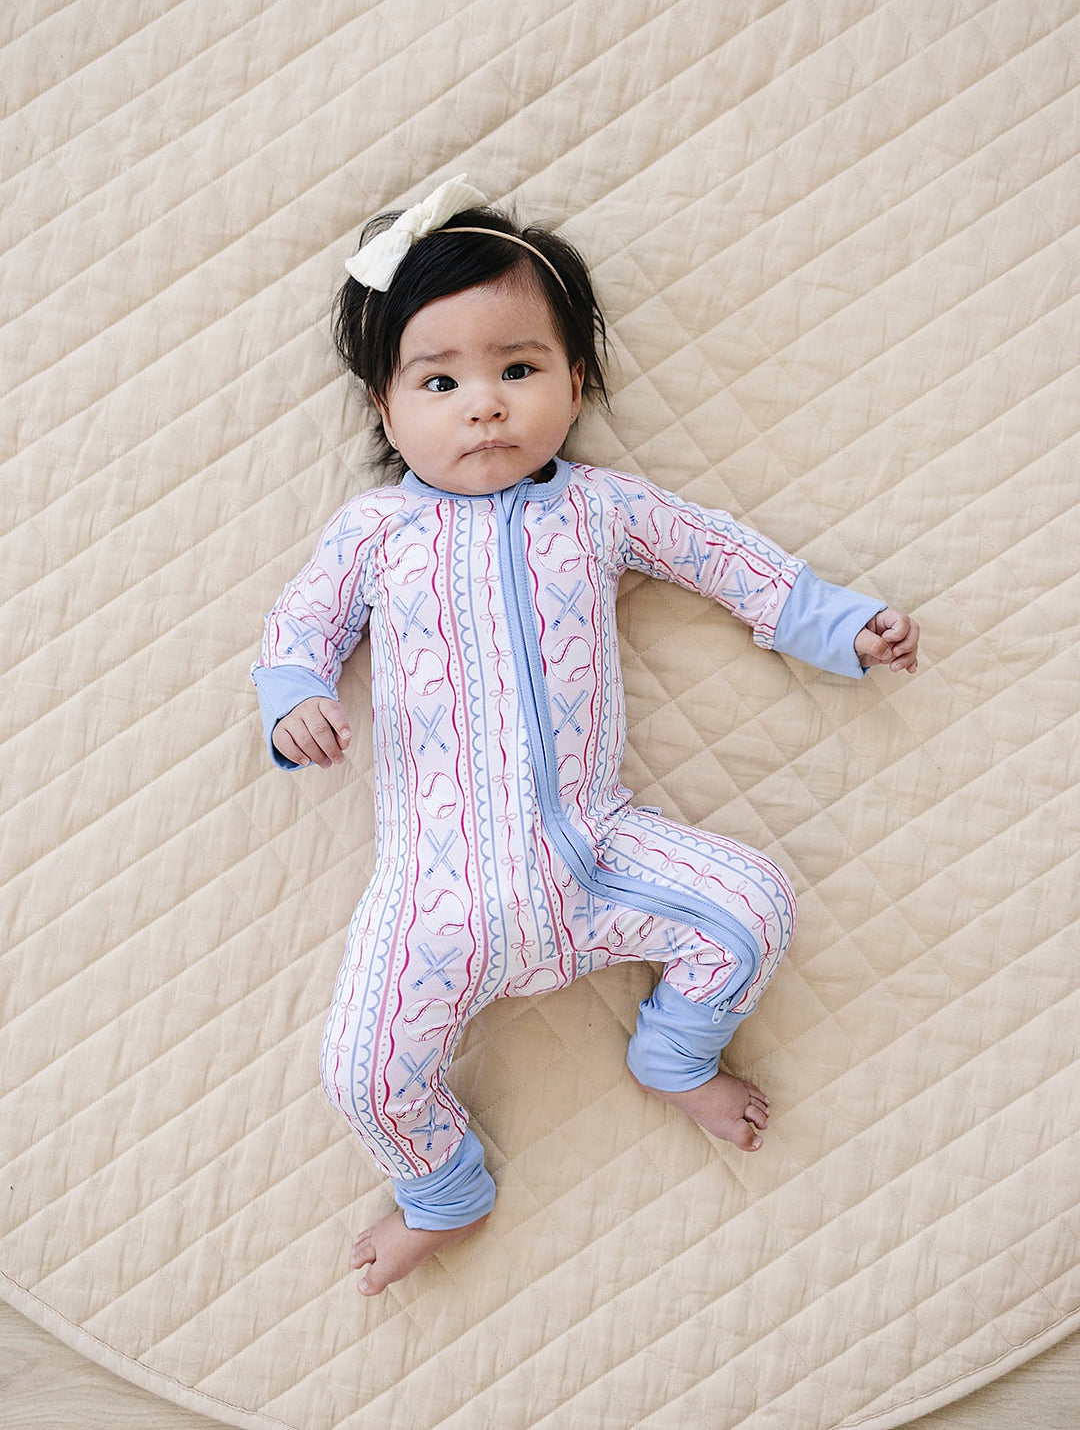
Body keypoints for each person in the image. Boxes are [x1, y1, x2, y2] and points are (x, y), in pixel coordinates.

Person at [252, 176, 920, 1296]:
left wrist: (838, 625)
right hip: (437, 892)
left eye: (518, 370)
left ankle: (675, 1052)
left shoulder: (600, 508)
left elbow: (720, 554)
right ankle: (444, 1188)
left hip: (599, 854)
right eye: (440, 381)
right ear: (385, 407)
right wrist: (295, 699)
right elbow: (300, 624)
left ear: (576, 381)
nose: (483, 405)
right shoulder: (375, 530)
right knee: (362, 1075)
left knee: (755, 904)